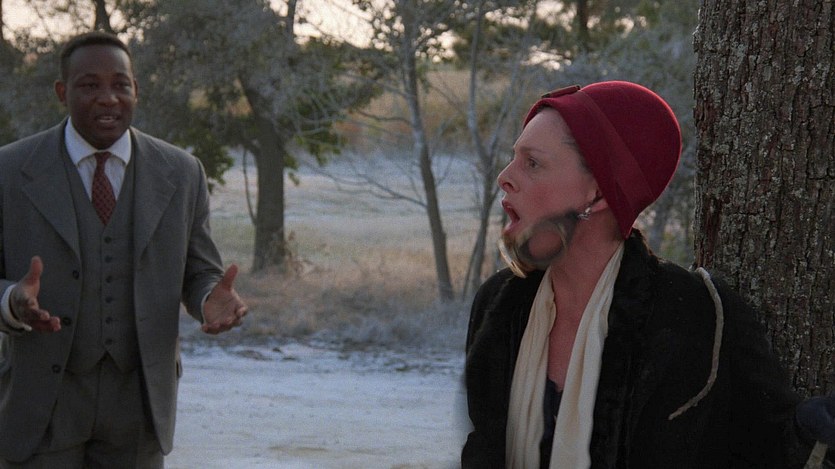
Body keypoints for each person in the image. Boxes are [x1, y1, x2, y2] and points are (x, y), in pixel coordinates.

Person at [462, 81, 835, 468]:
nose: (505, 176)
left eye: (532, 163)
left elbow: (766, 447)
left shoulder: (697, 316)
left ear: (598, 194)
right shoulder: (499, 304)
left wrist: (809, 432)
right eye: (514, 158)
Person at [0, 31, 247, 467]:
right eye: (89, 85)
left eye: (120, 84)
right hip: (39, 400)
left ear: (136, 89)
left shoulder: (182, 172)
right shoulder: (10, 170)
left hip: (138, 405)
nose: (108, 98)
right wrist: (11, 301)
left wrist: (209, 298)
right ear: (62, 92)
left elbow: (199, 271)